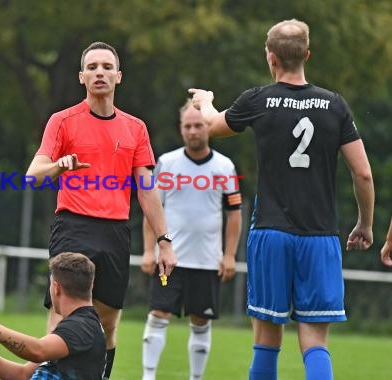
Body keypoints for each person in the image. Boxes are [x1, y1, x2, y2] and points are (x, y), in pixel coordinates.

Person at [189, 19, 374, 380]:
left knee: (267, 337)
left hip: (271, 233)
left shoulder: (258, 100)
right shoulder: (335, 106)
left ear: (270, 57)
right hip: (319, 236)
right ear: (307, 54)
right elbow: (363, 174)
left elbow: (211, 125)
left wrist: (205, 101)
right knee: (315, 339)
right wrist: (364, 224)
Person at [25, 41, 177, 379]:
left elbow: (147, 190)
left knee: (106, 326)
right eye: (92, 67)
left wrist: (164, 240)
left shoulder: (135, 128)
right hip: (73, 227)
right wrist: (57, 168)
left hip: (115, 233)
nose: (99, 73)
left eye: (107, 67)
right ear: (82, 77)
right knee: (64, 320)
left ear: (118, 76)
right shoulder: (62, 121)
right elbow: (32, 176)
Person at [141, 99, 242, 380]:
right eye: (188, 126)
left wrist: (230, 255)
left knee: (201, 320)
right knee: (158, 315)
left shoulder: (225, 167)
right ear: (181, 129)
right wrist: (149, 251)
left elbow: (234, 214)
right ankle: (148, 376)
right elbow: (152, 209)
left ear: (208, 128)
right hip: (169, 260)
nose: (193, 131)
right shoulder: (166, 163)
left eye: (199, 125)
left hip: (207, 259)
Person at [0, 252, 106, 380]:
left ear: (56, 288)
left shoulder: (82, 326)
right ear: (90, 287)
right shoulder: (78, 325)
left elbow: (38, 350)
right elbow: (22, 375)